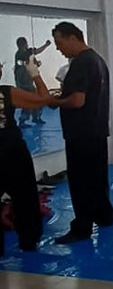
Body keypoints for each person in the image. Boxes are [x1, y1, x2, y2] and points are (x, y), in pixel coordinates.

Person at [49, 22, 113, 244]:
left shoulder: (80, 63)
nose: (58, 48)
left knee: (81, 182)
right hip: (97, 131)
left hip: (81, 133)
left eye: (59, 43)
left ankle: (82, 227)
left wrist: (56, 102)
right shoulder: (98, 60)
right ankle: (104, 215)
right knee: (97, 177)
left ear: (72, 38)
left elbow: (77, 101)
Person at [0, 57, 54, 254]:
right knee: (25, 199)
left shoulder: (8, 93)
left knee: (26, 198)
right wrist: (35, 75)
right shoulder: (7, 93)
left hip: (12, 152)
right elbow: (44, 98)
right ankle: (29, 240)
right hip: (12, 153)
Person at [14, 36, 52, 127]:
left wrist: (36, 63)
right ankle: (23, 120)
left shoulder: (24, 54)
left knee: (36, 98)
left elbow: (30, 61)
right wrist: (46, 45)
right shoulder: (21, 54)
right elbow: (36, 52)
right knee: (28, 101)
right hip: (24, 83)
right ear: (24, 44)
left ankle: (36, 117)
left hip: (27, 82)